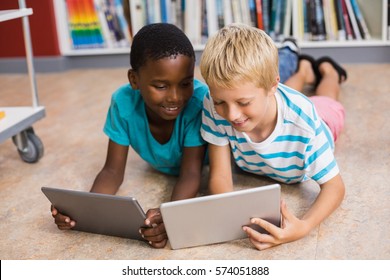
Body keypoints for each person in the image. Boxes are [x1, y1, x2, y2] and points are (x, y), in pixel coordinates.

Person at [51, 23, 209, 248]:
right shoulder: (122, 103)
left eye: (185, 83)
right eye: (161, 86)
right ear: (134, 80)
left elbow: (192, 173)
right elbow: (112, 171)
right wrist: (85, 212)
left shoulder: (197, 102)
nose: (175, 97)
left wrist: (170, 217)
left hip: (201, 165)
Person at [200, 23, 347, 250]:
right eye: (220, 102)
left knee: (327, 100)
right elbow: (220, 176)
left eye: (243, 103)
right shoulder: (214, 104)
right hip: (276, 101)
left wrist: (304, 226)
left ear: (272, 86)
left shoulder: (304, 121)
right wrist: (231, 216)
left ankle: (329, 71)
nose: (231, 114)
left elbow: (335, 188)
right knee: (274, 96)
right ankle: (304, 70)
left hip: (322, 120)